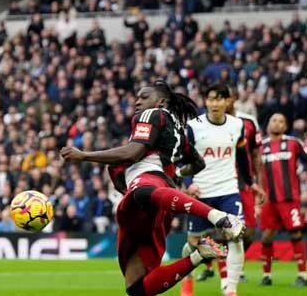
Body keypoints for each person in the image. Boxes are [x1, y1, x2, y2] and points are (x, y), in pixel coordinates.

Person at [61, 79, 244, 296]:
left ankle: (220, 218)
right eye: (137, 97)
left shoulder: (152, 114)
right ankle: (200, 255)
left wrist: (84, 155)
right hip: (159, 203)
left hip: (149, 185)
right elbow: (198, 163)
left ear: (162, 101)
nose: (138, 102)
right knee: (136, 289)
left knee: (141, 192)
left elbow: (133, 152)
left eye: (144, 96)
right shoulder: (178, 130)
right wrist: (177, 174)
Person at [180, 84, 246, 296]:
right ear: (205, 101)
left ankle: (231, 289)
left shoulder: (238, 125)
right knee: (193, 243)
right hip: (201, 193)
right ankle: (187, 279)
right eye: (210, 99)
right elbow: (184, 159)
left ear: (227, 101)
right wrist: (189, 183)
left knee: (236, 235)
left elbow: (243, 158)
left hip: (228, 190)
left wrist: (251, 183)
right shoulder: (193, 126)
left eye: (219, 99)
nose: (214, 104)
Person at [196, 86, 266, 283]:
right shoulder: (202, 124)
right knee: (218, 230)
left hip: (242, 183)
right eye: (215, 99)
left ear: (232, 99)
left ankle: (222, 263)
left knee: (248, 231)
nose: (221, 103)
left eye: (224, 98)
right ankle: (225, 275)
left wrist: (256, 182)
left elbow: (254, 154)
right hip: (215, 183)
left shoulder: (247, 122)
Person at [259, 113, 307, 287]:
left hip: (289, 198)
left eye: (281, 121)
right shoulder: (260, 145)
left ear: (285, 126)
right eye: (274, 120)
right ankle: (266, 275)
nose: (277, 124)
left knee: (295, 233)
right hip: (268, 200)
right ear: (268, 124)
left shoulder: (294, 143)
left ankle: (303, 274)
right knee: (266, 237)